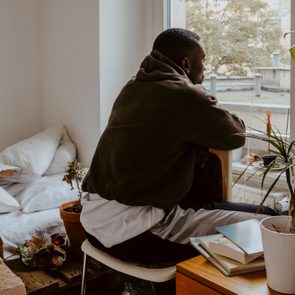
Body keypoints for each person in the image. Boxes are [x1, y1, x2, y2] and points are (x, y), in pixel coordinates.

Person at [80, 28, 276, 271]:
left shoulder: (133, 87)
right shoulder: (182, 94)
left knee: (227, 204)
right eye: (202, 60)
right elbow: (236, 134)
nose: (204, 67)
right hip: (133, 233)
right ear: (186, 63)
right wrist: (199, 92)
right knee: (270, 222)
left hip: (92, 222)